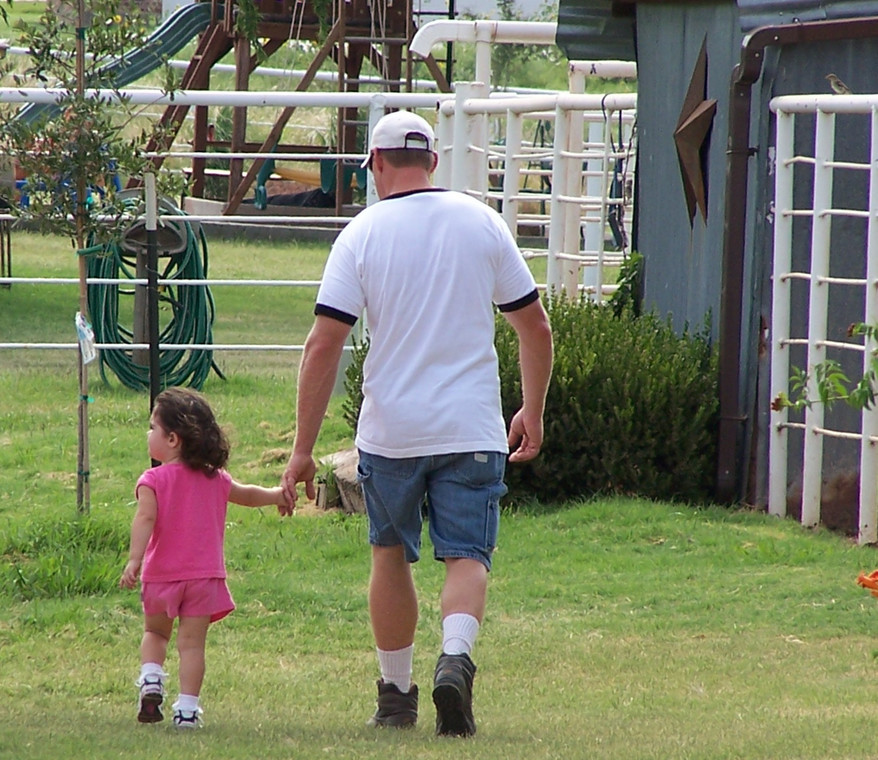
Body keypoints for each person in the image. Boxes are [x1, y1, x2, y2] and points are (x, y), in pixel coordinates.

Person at [281, 109, 553, 737]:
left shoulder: (362, 234)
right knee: (467, 556)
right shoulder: (482, 223)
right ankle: (455, 659)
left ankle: (395, 698)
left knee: (389, 554)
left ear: (375, 164)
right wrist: (532, 409)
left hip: (392, 431)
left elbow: (325, 344)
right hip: (471, 428)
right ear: (432, 161)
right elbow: (533, 326)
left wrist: (301, 449)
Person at [120, 386, 290, 728]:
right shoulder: (215, 478)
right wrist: (277, 495)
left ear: (172, 440)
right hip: (204, 577)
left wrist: (134, 559)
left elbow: (145, 518)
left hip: (162, 575)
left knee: (156, 634)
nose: (148, 433)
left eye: (153, 427)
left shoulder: (153, 479)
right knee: (192, 646)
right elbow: (248, 495)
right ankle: (186, 710)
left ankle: (152, 679)